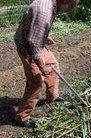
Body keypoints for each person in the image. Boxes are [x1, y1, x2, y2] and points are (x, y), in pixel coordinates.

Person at [14, 0, 80, 128]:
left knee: (53, 65)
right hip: (28, 49)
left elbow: (35, 28)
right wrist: (42, 66)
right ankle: (22, 117)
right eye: (71, 6)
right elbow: (32, 43)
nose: (70, 9)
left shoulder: (50, 4)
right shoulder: (43, 11)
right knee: (36, 81)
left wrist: (44, 36)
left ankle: (53, 97)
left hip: (36, 43)